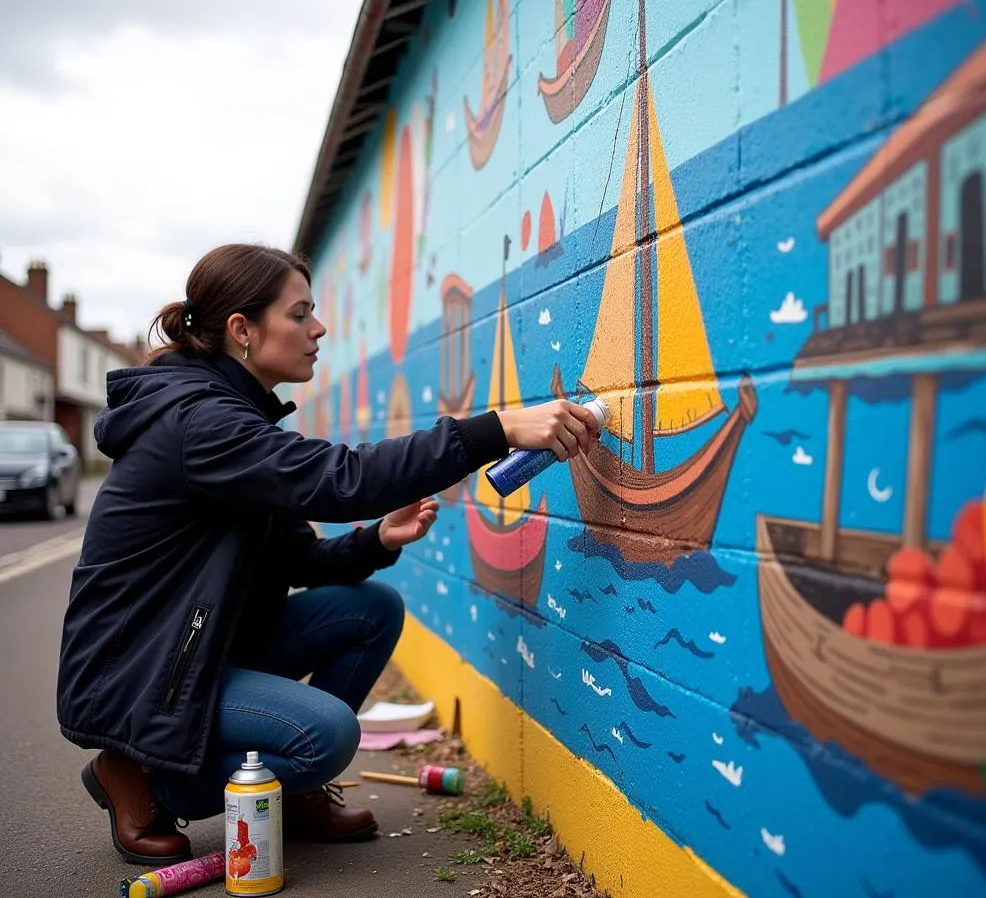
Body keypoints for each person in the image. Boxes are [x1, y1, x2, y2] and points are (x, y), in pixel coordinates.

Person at [55, 243, 600, 866]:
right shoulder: (199, 424)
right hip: (145, 671)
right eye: (300, 313)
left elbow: (296, 560)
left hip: (202, 647)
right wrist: (497, 430)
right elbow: (343, 479)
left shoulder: (238, 419)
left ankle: (291, 788)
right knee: (329, 734)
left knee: (368, 610)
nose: (318, 329)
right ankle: (140, 774)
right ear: (243, 331)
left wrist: (376, 541)